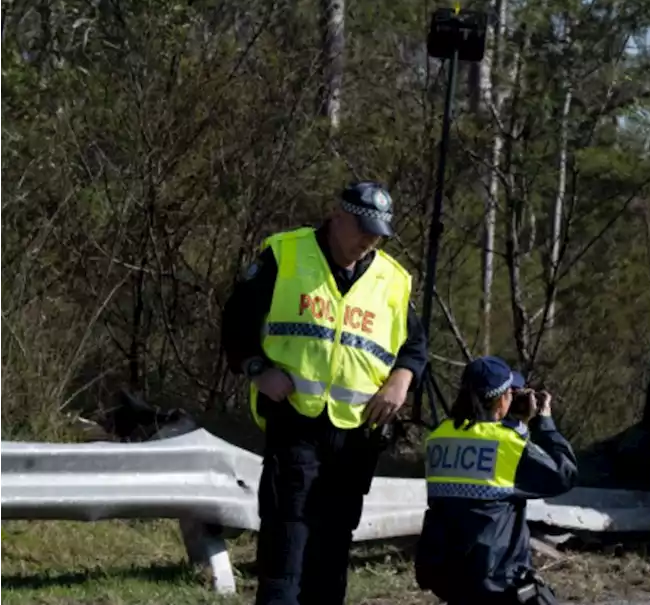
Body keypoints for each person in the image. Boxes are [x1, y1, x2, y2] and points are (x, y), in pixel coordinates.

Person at [220, 180, 428, 605]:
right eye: (362, 228)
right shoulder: (286, 254)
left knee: (332, 551)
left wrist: (400, 380)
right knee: (287, 540)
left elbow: (415, 347)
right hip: (295, 419)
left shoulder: (393, 279)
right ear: (337, 215)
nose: (368, 241)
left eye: (377, 234)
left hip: (355, 436)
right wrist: (259, 369)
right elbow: (236, 322)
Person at [415, 356, 577, 605]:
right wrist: (544, 424)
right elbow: (563, 475)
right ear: (502, 399)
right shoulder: (507, 445)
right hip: (494, 579)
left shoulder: (438, 437)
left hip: (447, 573)